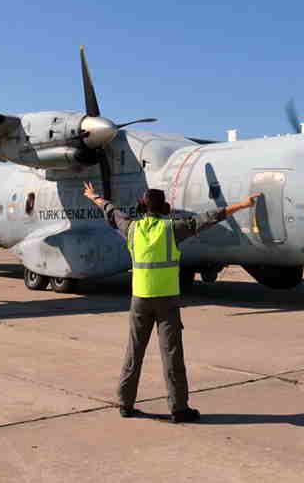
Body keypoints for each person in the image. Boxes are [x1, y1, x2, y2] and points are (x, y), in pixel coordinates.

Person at [83, 181, 258, 422]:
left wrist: (94, 196)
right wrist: (242, 205)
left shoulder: (131, 228)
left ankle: (125, 403)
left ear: (142, 206)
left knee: (134, 352)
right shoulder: (172, 229)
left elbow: (111, 211)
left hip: (140, 300)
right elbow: (208, 218)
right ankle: (179, 408)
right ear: (164, 206)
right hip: (166, 302)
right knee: (172, 354)